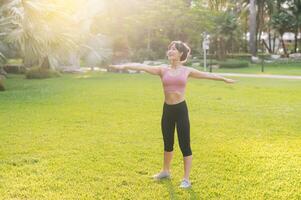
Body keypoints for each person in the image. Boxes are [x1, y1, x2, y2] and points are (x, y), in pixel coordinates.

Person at [108, 41, 236, 189]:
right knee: (168, 143)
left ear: (180, 53)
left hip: (181, 110)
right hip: (167, 110)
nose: (170, 51)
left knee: (184, 144)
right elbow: (141, 66)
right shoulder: (162, 70)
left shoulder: (187, 70)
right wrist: (123, 66)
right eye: (169, 49)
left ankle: (186, 179)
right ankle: (165, 171)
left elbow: (207, 75)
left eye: (174, 49)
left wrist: (224, 79)